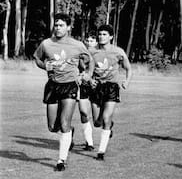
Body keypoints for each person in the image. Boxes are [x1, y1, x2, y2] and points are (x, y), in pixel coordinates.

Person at [33, 13, 93, 171]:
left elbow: (89, 60)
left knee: (64, 123)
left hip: (70, 86)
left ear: (68, 27)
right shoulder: (46, 44)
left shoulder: (77, 45)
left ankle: (61, 160)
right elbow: (37, 58)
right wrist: (44, 66)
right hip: (53, 86)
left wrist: (87, 74)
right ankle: (70, 132)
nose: (58, 28)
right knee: (52, 127)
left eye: (61, 25)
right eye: (56, 25)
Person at [90, 24, 132, 160]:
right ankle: (109, 126)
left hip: (111, 88)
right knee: (97, 122)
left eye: (104, 34)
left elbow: (128, 69)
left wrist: (126, 81)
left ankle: (101, 152)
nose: (101, 37)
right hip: (96, 88)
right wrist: (89, 79)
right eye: (100, 34)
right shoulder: (91, 51)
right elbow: (83, 68)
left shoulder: (118, 51)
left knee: (107, 118)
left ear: (111, 37)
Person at [77, 32, 98, 151]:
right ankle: (89, 143)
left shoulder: (100, 54)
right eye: (87, 41)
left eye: (92, 41)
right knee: (84, 113)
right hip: (84, 86)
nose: (89, 43)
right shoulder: (80, 55)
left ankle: (108, 125)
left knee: (97, 121)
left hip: (96, 87)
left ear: (96, 43)